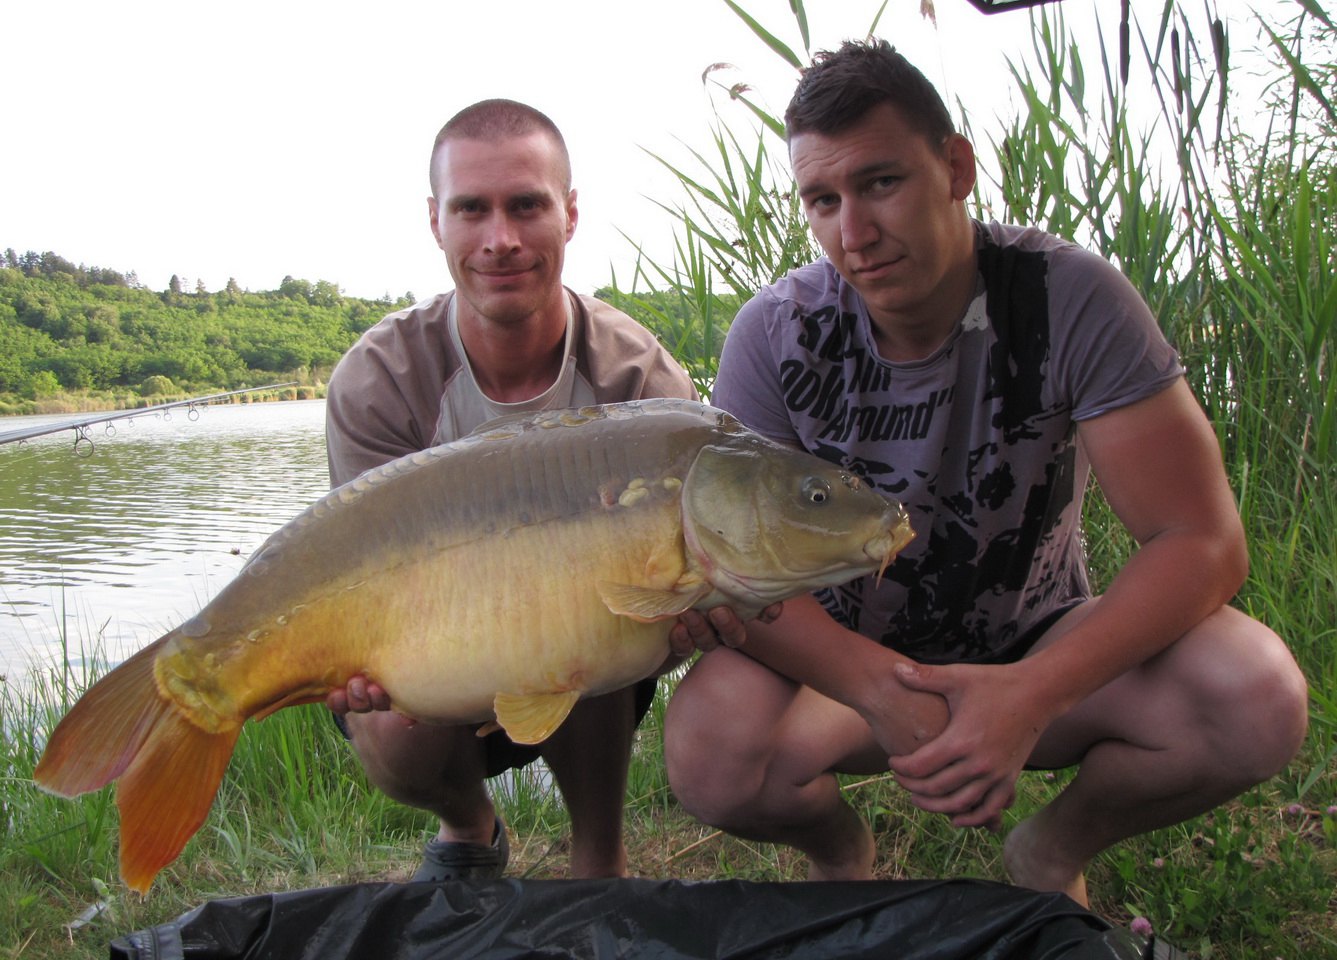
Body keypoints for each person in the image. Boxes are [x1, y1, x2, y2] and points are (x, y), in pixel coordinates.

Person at [662, 40, 1309, 907]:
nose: (852, 232)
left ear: (956, 166)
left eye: (880, 182)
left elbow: (1201, 541)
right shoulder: (774, 333)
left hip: (1036, 644)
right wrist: (874, 691)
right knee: (709, 748)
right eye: (823, 200)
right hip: (845, 669)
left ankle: (1049, 854)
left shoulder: (1068, 295)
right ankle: (841, 859)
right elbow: (732, 572)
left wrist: (1033, 692)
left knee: (1254, 693)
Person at [323, 98, 697, 881]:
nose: (501, 239)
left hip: (586, 652)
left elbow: (686, 577)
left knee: (585, 615)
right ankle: (470, 827)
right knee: (392, 728)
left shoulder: (637, 380)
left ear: (568, 214)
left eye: (526, 205)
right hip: (434, 649)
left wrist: (694, 612)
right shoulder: (380, 377)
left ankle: (600, 858)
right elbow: (360, 573)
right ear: (436, 221)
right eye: (472, 209)